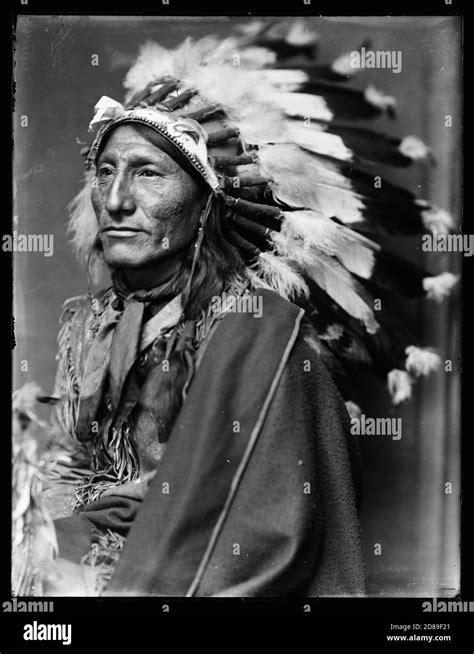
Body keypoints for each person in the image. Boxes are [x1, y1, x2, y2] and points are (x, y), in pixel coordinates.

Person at [31, 25, 455, 597]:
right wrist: (45, 547)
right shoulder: (88, 324)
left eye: (148, 173)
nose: (115, 200)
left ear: (210, 200)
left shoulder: (264, 337)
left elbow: (268, 532)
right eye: (105, 170)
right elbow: (70, 469)